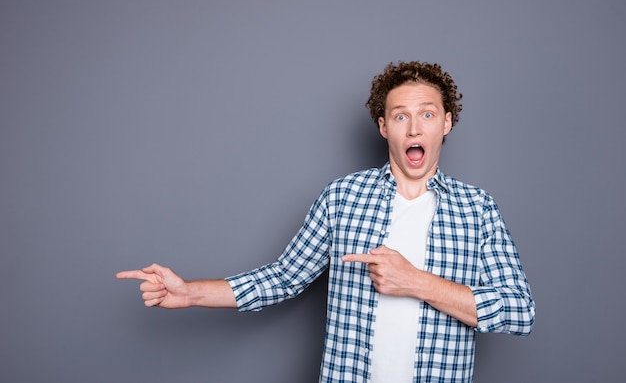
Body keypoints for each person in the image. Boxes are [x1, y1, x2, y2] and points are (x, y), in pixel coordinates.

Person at [117, 61, 535, 383]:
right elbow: (284, 277)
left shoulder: (477, 208)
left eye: (427, 114)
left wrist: (416, 282)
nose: (413, 126)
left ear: (446, 123)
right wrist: (189, 293)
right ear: (383, 126)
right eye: (400, 116)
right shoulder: (343, 197)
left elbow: (520, 311)